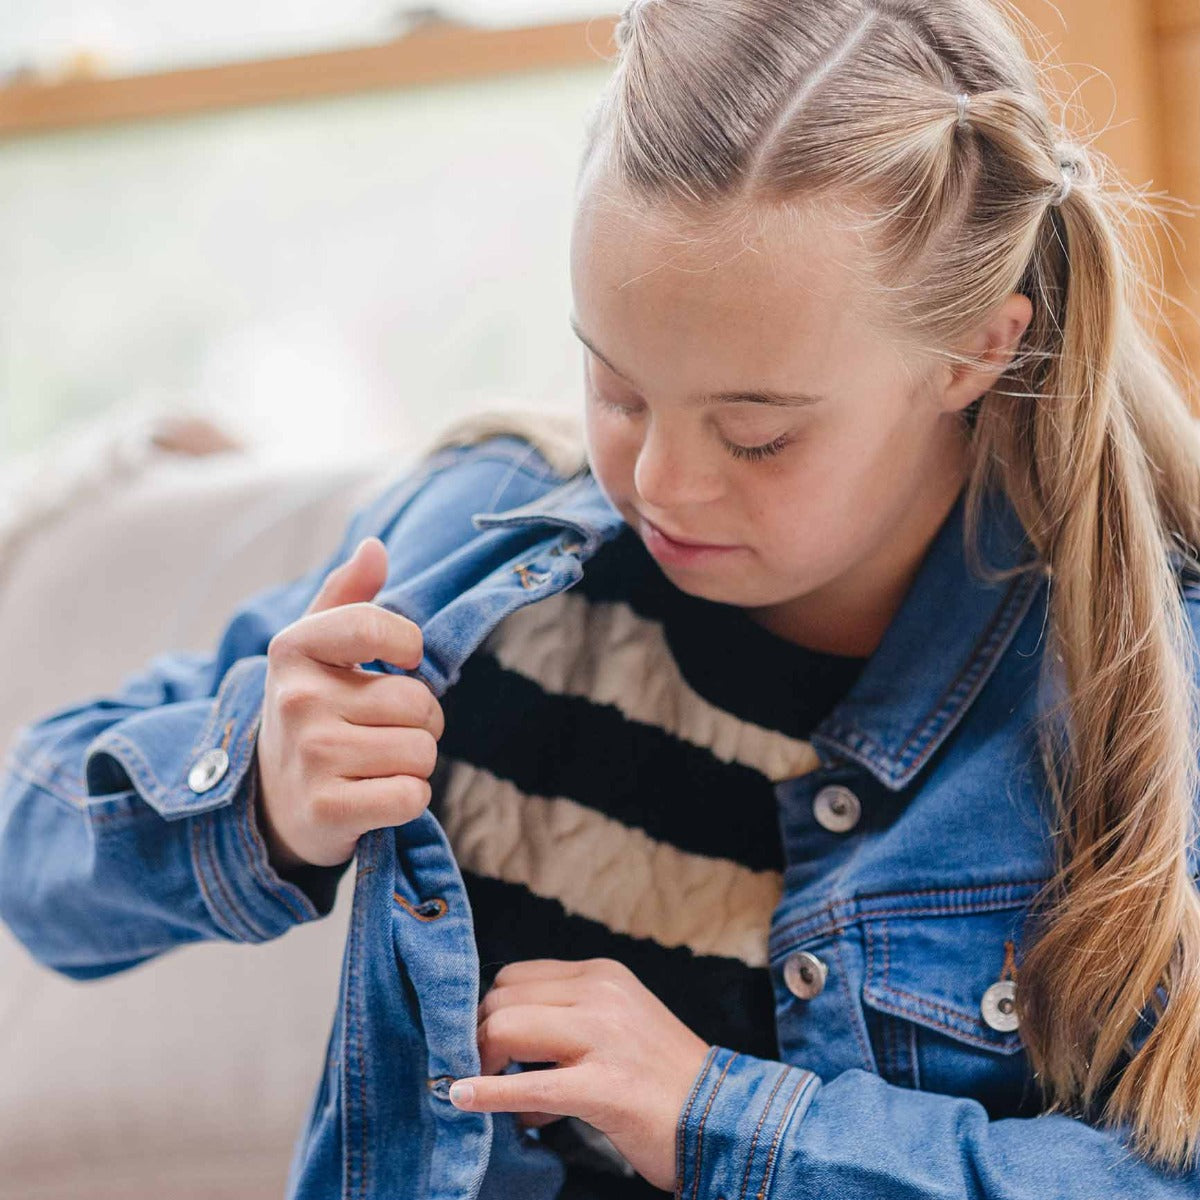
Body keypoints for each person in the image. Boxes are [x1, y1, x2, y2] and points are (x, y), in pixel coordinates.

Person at [3, 0, 1200, 1195]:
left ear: (978, 352)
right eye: (617, 389)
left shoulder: (1138, 692)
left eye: (757, 433)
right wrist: (260, 794)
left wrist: (718, 1121)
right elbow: (32, 849)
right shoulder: (472, 547)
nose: (661, 484)